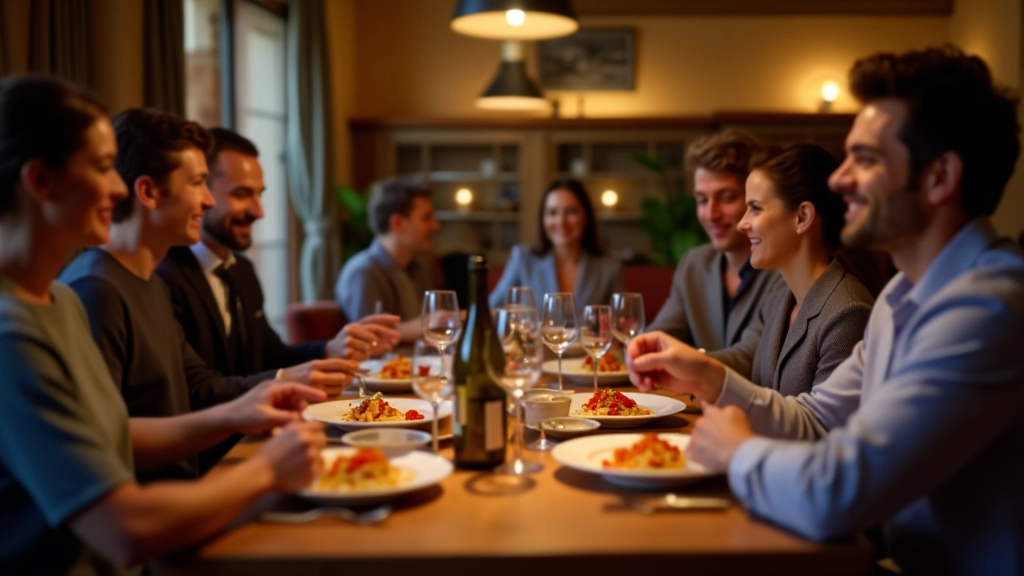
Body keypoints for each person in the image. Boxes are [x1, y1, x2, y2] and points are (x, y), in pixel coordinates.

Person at [627, 46, 1024, 574]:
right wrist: (708, 376)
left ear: (939, 178)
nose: (839, 180)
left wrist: (737, 450)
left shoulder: (986, 308)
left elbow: (839, 492)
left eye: (866, 159)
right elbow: (815, 418)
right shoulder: (903, 294)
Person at [0, 75, 325, 576]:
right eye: (104, 168)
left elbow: (113, 435)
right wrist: (266, 469)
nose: (117, 187)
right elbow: (126, 530)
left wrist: (238, 412)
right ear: (40, 181)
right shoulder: (16, 334)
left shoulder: (60, 301)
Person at [59, 109, 353, 481]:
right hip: (157, 511)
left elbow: (195, 385)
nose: (209, 200)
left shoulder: (146, 281)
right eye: (198, 182)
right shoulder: (96, 290)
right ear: (148, 192)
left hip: (188, 486)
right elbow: (100, 447)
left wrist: (279, 385)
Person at [156, 127, 400, 382]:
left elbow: (270, 355)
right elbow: (196, 388)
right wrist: (285, 379)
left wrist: (331, 348)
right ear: (202, 192)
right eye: (241, 194)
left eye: (259, 195)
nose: (258, 211)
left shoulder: (241, 270)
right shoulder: (165, 276)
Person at [707, 144, 874, 396]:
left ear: (802, 217)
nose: (742, 224)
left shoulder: (848, 312)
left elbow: (823, 425)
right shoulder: (777, 300)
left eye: (755, 208)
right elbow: (747, 365)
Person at [646, 131, 786, 374]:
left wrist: (681, 360)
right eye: (702, 200)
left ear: (755, 199)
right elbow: (659, 336)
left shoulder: (783, 267)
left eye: (727, 197)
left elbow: (750, 357)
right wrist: (635, 344)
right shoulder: (694, 263)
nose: (710, 214)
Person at [488, 179, 622, 311]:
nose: (561, 222)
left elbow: (622, 319)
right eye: (552, 212)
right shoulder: (523, 258)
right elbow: (489, 308)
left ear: (586, 217)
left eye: (571, 211)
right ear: (543, 219)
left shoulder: (609, 265)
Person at [334, 177, 440, 342]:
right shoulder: (363, 272)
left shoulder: (417, 268)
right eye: (426, 218)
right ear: (397, 223)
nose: (435, 226)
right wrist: (435, 321)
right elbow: (369, 339)